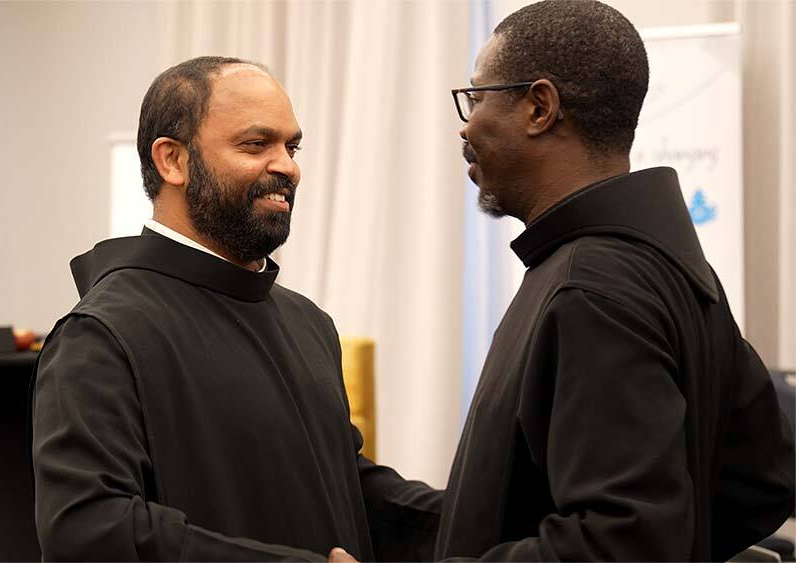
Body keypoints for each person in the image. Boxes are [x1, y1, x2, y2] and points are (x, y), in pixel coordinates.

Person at [328, 1, 795, 561]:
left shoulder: (590, 290)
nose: (466, 124)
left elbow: (621, 544)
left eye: (477, 97)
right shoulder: (665, 264)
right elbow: (762, 480)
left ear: (539, 107)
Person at [31, 56, 440, 562]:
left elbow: (342, 485)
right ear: (172, 160)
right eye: (256, 144)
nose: (287, 166)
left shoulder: (309, 323)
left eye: (291, 147)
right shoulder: (102, 334)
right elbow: (88, 529)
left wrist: (471, 518)